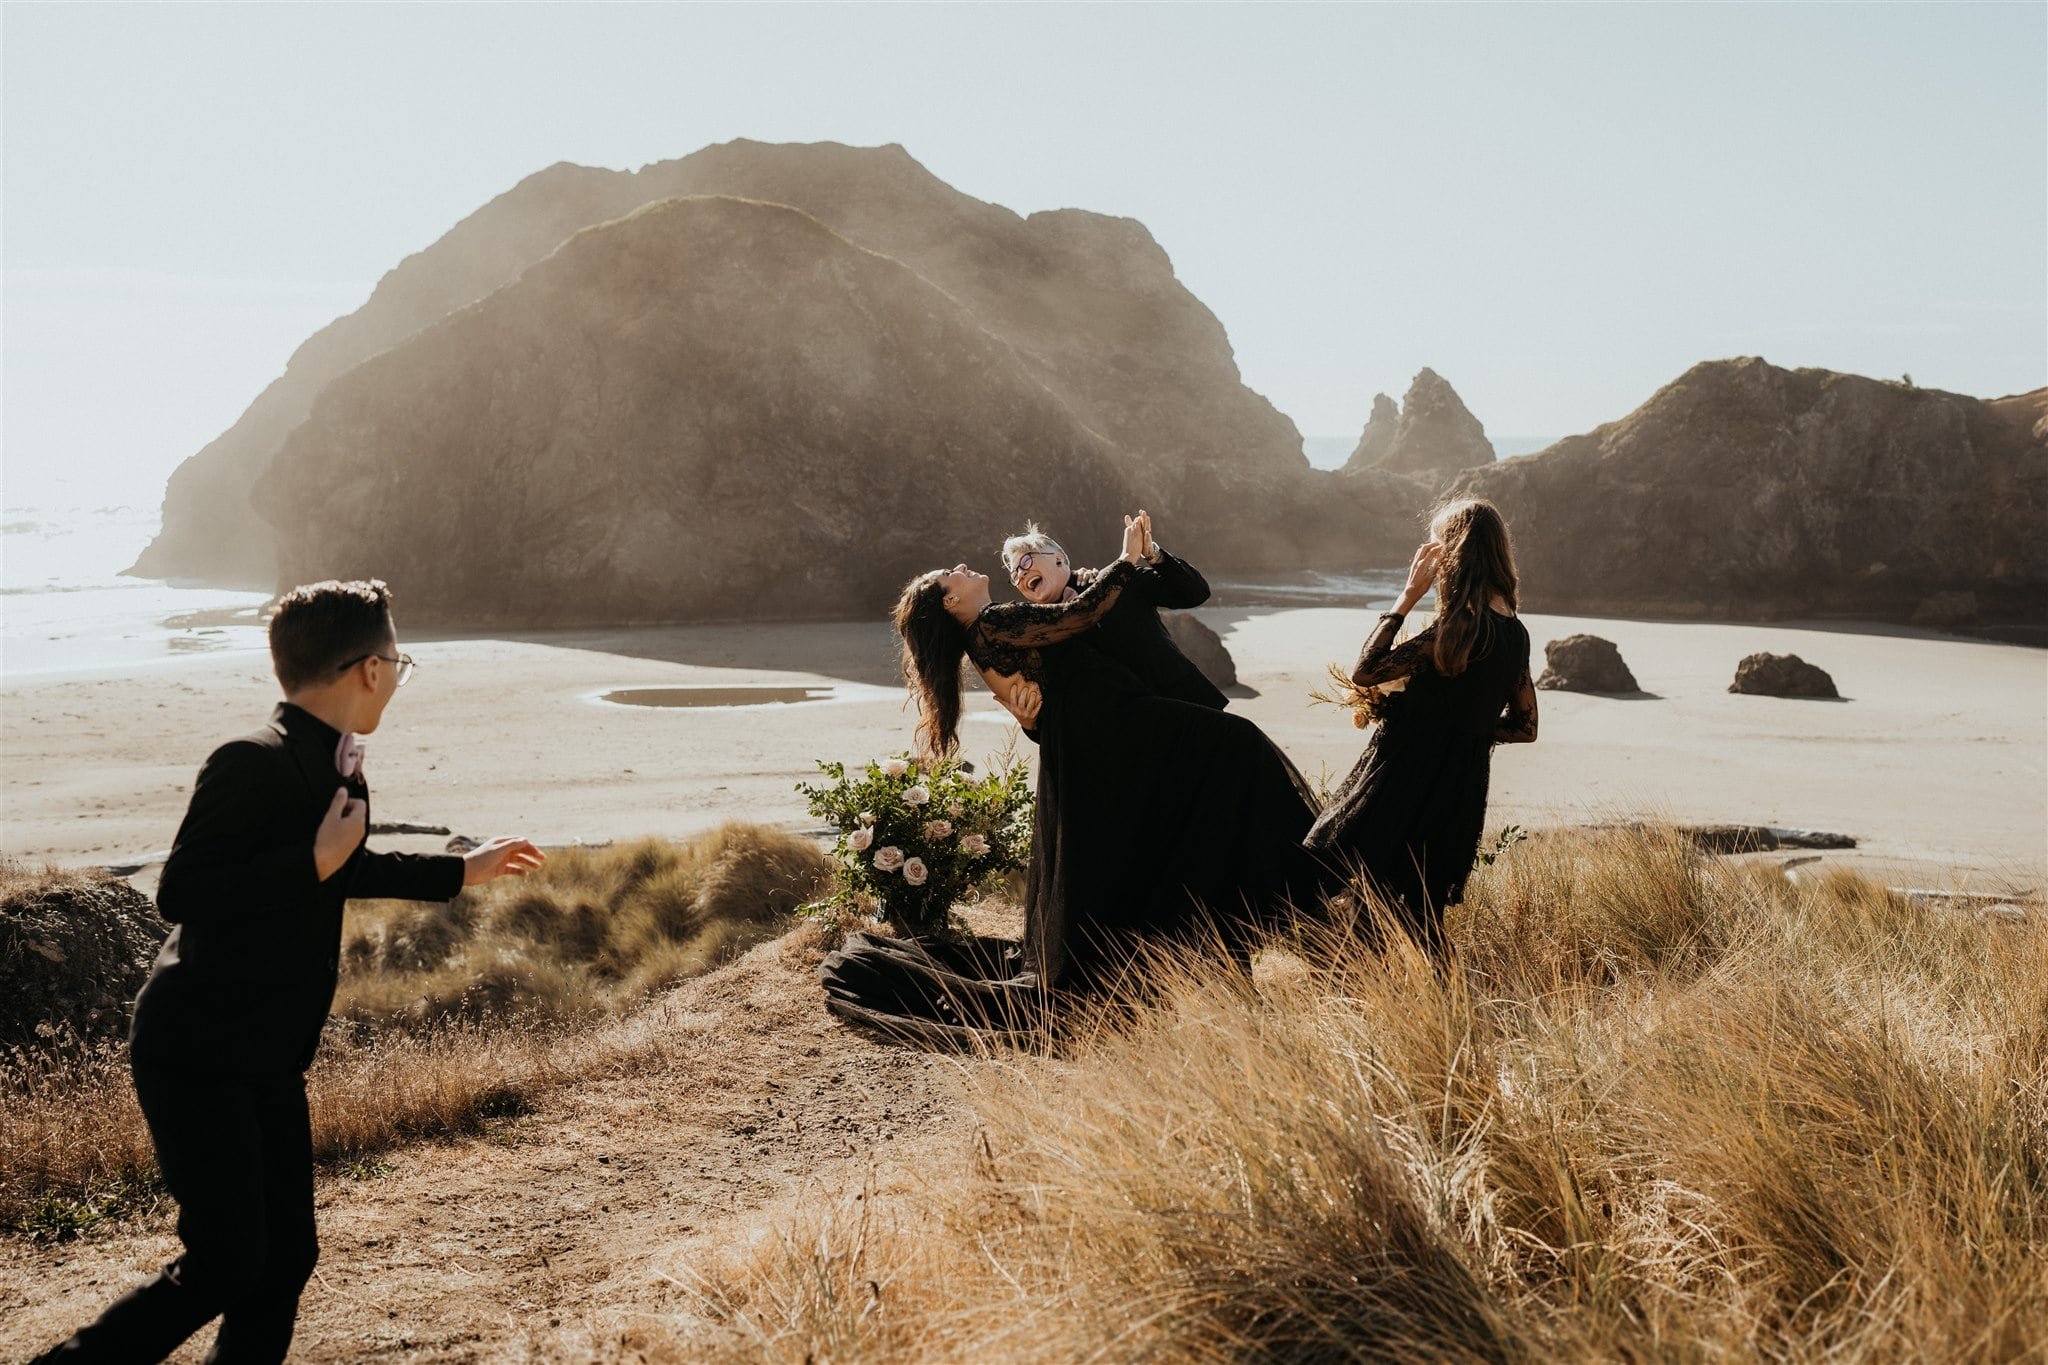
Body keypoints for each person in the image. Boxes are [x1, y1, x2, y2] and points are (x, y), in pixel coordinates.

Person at [34, 580, 544, 1365]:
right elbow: (183, 890)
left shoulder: (337, 767)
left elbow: (342, 868)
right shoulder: (248, 759)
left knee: (285, 1257)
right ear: (368, 668)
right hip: (195, 1048)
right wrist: (309, 860)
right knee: (230, 1259)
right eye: (397, 663)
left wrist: (458, 873)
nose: (397, 680)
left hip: (268, 1054)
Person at [819, 516, 1319, 1045]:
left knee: (1196, 825)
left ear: (1059, 556)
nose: (971, 567)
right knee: (1239, 746)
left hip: (1124, 724)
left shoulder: (1003, 624)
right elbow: (1078, 621)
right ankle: (1306, 875)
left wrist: (1135, 564)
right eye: (954, 574)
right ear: (948, 602)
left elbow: (1077, 650)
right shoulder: (996, 622)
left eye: (1025, 561)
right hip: (1114, 731)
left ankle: (1241, 938)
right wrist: (1034, 717)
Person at [1306, 499, 1538, 961]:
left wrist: (1406, 597)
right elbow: (1525, 726)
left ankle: (1369, 1006)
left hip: (1401, 781)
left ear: (1454, 556)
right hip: (1458, 791)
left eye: (1436, 546)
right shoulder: (1515, 634)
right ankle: (1425, 1012)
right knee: (1416, 913)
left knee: (1340, 881)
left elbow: (1366, 671)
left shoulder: (1456, 629)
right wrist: (1468, 733)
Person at [1000, 514, 1225, 711]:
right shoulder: (1034, 632)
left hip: (1185, 705)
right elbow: (1048, 706)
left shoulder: (1120, 579)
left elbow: (1196, 593)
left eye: (1026, 560)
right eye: (1014, 573)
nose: (1020, 574)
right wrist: (1029, 723)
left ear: (1059, 559)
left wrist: (1153, 554)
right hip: (1120, 738)